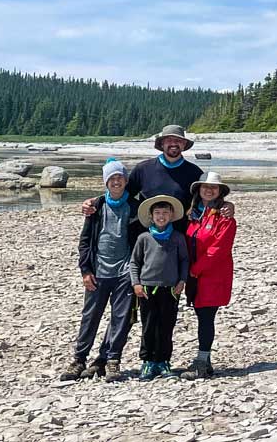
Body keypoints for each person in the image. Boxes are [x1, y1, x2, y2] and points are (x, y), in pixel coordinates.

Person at [60, 159, 140, 383]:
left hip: (125, 272)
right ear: (106, 182)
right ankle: (79, 359)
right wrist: (85, 270)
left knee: (121, 318)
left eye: (120, 178)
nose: (116, 182)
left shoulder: (136, 207)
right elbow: (85, 242)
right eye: (112, 178)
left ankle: (112, 360)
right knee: (90, 316)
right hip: (98, 272)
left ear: (125, 181)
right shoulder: (96, 205)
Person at [81, 125, 234, 225]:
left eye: (178, 140)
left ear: (184, 145)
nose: (173, 143)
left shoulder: (194, 172)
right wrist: (94, 201)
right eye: (169, 140)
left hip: (181, 233)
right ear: (161, 144)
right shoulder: (143, 168)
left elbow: (207, 198)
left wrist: (227, 205)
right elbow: (122, 194)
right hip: (147, 231)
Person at [182, 171, 237, 380]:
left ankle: (201, 361)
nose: (209, 190)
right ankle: (204, 360)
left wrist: (195, 270)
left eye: (214, 187)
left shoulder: (225, 219)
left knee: (206, 317)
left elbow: (218, 249)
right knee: (200, 314)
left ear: (220, 192)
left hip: (212, 276)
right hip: (195, 275)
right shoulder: (193, 214)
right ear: (198, 190)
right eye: (205, 186)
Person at [130, 194, 190, 380]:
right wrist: (136, 283)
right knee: (148, 326)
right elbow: (134, 263)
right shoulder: (144, 238)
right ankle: (148, 361)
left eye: (165, 213)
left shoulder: (178, 238)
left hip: (170, 289)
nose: (161, 216)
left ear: (171, 215)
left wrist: (182, 280)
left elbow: (184, 260)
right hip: (147, 289)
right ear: (151, 215)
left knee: (166, 326)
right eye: (157, 213)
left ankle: (163, 361)